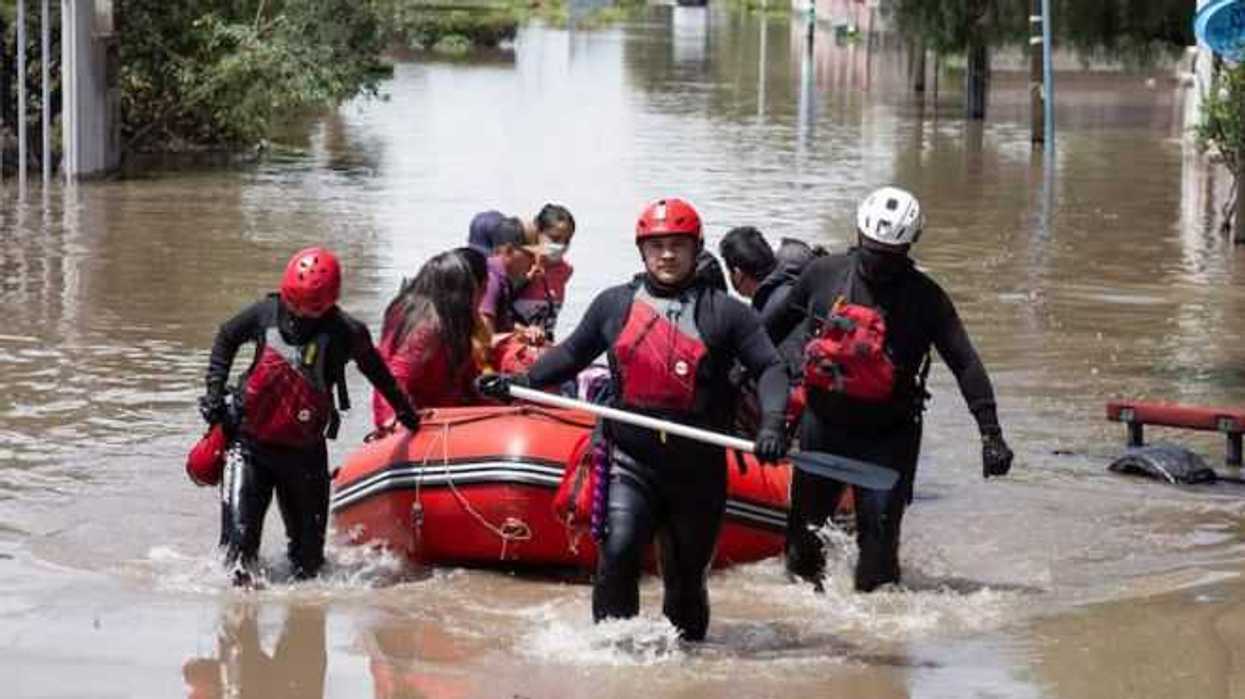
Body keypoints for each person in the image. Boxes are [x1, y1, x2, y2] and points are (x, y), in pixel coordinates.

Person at [477, 197, 790, 641]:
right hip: (629, 460)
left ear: (695, 248)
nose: (667, 254)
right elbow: (569, 355)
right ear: (642, 250)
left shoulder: (727, 313)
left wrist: (773, 423)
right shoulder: (613, 305)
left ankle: (685, 669)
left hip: (697, 468)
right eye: (657, 245)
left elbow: (771, 368)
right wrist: (518, 380)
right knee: (618, 555)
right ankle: (613, 659)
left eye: (677, 245)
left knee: (684, 581)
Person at [767, 186, 1014, 593]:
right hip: (822, 427)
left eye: (889, 254)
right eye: (871, 249)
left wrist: (991, 434)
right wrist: (766, 411)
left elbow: (965, 363)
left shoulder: (926, 299)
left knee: (878, 560)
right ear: (860, 235)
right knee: (802, 548)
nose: (878, 262)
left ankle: (880, 640)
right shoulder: (823, 274)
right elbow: (765, 338)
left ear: (908, 247)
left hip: (887, 438)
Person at [199, 247, 421, 585]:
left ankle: (304, 629)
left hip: (304, 456)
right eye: (293, 304)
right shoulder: (264, 313)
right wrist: (214, 394)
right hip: (248, 447)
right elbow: (226, 338)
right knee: (237, 557)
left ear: (328, 303)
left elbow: (379, 374)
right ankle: (239, 626)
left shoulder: (348, 332)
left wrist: (408, 416)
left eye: (309, 309)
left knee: (309, 566)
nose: (298, 315)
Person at [373, 248, 488, 428]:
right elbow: (395, 378)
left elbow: (466, 377)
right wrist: (393, 421)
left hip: (443, 416)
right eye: (471, 289)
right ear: (457, 293)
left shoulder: (446, 323)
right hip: (419, 422)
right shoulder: (429, 327)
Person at [511, 204, 577, 340]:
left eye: (567, 240)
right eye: (555, 238)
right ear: (537, 233)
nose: (561, 246)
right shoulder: (519, 265)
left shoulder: (565, 271)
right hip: (512, 347)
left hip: (543, 349)